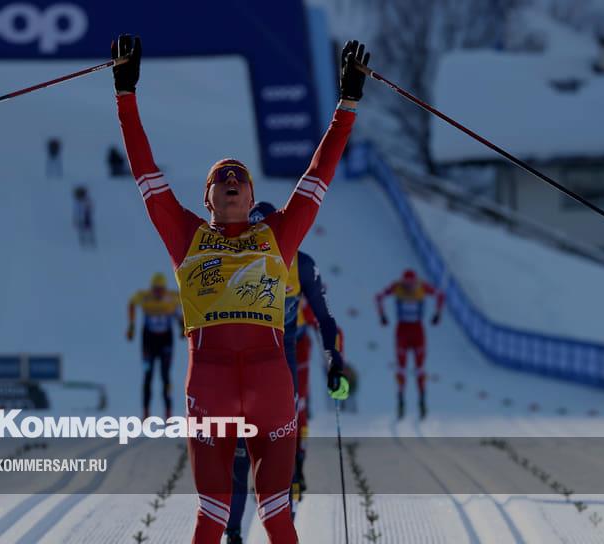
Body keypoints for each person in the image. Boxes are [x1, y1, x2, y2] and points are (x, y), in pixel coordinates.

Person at [111, 33, 367, 543]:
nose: (231, 178)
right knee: (211, 514)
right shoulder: (186, 235)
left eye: (240, 177)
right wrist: (125, 94)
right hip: (210, 386)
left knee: (277, 514)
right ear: (207, 199)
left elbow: (319, 174)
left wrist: (348, 103)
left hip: (271, 385)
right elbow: (145, 171)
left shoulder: (278, 236)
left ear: (251, 197)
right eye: (220, 178)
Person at [224, 202, 346, 543]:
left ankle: (281, 526)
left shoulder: (302, 265)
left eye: (269, 237)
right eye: (254, 237)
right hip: (241, 365)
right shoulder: (233, 260)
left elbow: (325, 318)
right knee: (239, 453)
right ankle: (233, 533)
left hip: (282, 362)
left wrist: (333, 359)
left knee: (281, 454)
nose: (262, 244)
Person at [374, 268, 444, 419]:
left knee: (420, 368)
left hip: (417, 331)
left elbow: (440, 295)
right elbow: (379, 297)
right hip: (402, 331)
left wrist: (437, 314)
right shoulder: (397, 287)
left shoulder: (422, 286)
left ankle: (422, 400)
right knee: (401, 367)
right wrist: (382, 316)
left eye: (411, 284)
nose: (409, 287)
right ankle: (401, 400)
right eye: (407, 284)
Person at [128, 272, 183, 419]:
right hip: (149, 342)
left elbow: (182, 308)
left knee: (165, 376)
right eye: (155, 289)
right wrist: (131, 326)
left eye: (161, 289)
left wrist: (182, 326)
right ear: (151, 289)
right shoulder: (145, 296)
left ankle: (168, 413)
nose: (158, 293)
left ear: (165, 289)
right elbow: (132, 303)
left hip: (166, 341)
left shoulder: (171, 297)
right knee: (148, 376)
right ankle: (146, 413)